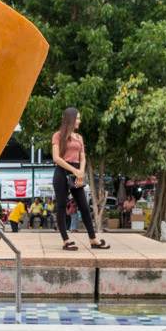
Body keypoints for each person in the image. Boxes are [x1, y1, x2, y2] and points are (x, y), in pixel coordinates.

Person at [51, 107, 110, 251]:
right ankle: (66, 241)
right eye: (77, 118)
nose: (79, 121)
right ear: (70, 119)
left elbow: (82, 157)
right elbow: (56, 158)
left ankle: (93, 240)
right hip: (62, 173)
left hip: (77, 173)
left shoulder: (79, 138)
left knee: (84, 206)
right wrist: (74, 170)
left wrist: (81, 172)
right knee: (61, 206)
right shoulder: (58, 136)